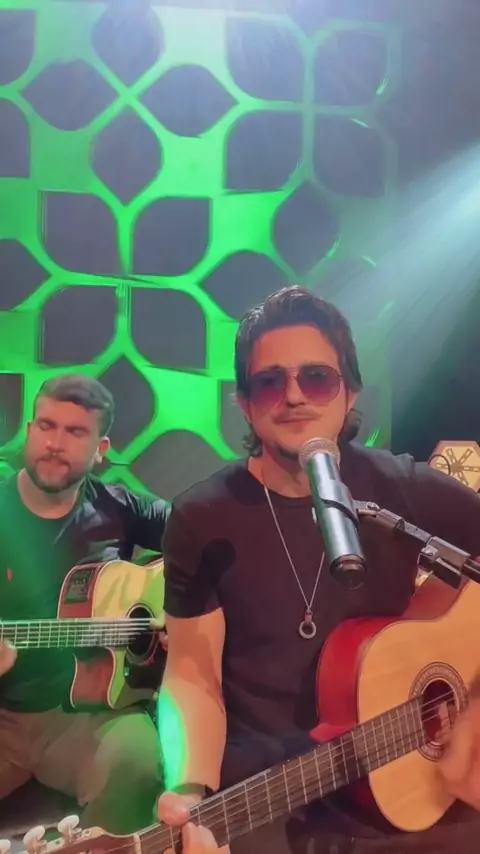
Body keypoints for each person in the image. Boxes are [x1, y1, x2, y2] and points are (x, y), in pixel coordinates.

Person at [157, 287, 480, 854]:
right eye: (269, 382)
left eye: (317, 378)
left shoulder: (401, 489)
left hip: (411, 779)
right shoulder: (202, 516)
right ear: (244, 404)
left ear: (349, 392)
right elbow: (191, 673)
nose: (294, 396)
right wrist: (189, 790)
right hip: (271, 794)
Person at [0, 374, 169, 833]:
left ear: (101, 449)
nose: (55, 443)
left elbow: (199, 537)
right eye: (46, 426)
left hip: (89, 716)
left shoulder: (119, 507)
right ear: (29, 430)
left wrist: (181, 611)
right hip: (5, 716)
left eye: (75, 432)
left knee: (137, 762)